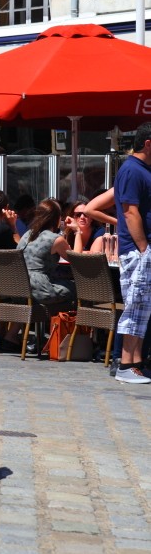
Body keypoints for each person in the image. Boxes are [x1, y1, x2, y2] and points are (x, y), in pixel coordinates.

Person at [113, 122, 151, 384]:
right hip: (137, 251)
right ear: (148, 144)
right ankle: (126, 365)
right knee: (135, 307)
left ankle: (135, 363)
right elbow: (130, 211)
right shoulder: (131, 170)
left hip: (141, 249)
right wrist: (143, 248)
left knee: (142, 309)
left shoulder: (141, 170)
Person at [17, 198, 76, 305]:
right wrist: (78, 231)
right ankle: (75, 321)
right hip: (40, 291)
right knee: (78, 289)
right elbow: (77, 261)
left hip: (19, 290)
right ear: (57, 219)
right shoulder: (56, 239)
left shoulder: (27, 234)